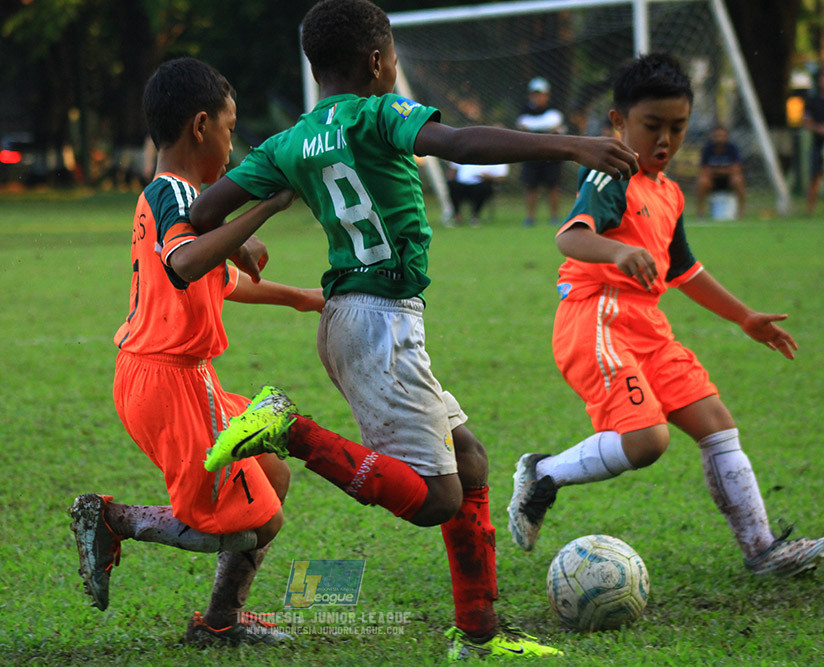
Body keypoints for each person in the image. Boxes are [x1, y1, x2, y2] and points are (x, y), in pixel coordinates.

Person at [189, 0, 638, 659]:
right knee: (435, 498)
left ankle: (479, 634)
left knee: (473, 461)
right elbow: (456, 144)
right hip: (378, 323)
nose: (395, 70)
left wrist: (255, 225)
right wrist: (572, 144)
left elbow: (202, 210)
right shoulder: (377, 113)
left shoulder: (288, 143)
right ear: (377, 62)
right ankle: (286, 428)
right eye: (394, 59)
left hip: (359, 319)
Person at [506, 53, 824, 578]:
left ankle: (761, 549)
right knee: (647, 441)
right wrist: (617, 253)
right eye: (652, 126)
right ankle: (544, 473)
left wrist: (744, 317)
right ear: (618, 123)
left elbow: (686, 271)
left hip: (648, 326)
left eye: (677, 128)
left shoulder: (671, 192)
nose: (665, 141)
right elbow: (570, 235)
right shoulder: (612, 175)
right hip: (598, 319)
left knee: (716, 423)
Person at [66, 57, 325, 645]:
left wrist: (302, 299)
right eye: (231, 131)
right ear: (202, 126)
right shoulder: (170, 196)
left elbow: (215, 278)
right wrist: (263, 207)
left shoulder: (178, 199)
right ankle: (113, 520)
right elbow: (186, 264)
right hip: (168, 384)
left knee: (272, 476)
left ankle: (220, 621)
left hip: (177, 378)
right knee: (253, 524)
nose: (233, 149)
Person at [516, 77, 567, 227]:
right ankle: (530, 218)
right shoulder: (525, 110)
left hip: (551, 155)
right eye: (534, 94)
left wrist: (534, 127)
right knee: (530, 187)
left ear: (547, 95)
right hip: (531, 155)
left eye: (540, 94)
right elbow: (523, 124)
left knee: (553, 187)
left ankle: (554, 217)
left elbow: (554, 123)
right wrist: (545, 128)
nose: (537, 97)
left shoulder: (554, 111)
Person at [695, 124, 746, 218]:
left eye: (722, 136)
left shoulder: (732, 149)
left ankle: (741, 211)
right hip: (713, 181)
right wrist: (724, 170)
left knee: (738, 180)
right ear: (712, 136)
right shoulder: (707, 149)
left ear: (727, 136)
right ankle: (700, 212)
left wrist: (716, 170)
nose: (719, 138)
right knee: (702, 181)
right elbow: (704, 170)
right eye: (717, 136)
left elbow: (737, 169)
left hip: (728, 180)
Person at [445, 161, 509, 227]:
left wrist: (487, 177)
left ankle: (475, 216)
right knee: (452, 185)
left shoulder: (495, 157)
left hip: (481, 185)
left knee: (483, 187)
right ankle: (457, 216)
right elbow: (453, 171)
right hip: (462, 185)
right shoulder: (464, 154)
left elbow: (501, 177)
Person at [805, 69, 824, 215]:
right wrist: (818, 128)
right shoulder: (812, 101)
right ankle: (810, 210)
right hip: (818, 144)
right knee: (815, 177)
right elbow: (806, 121)